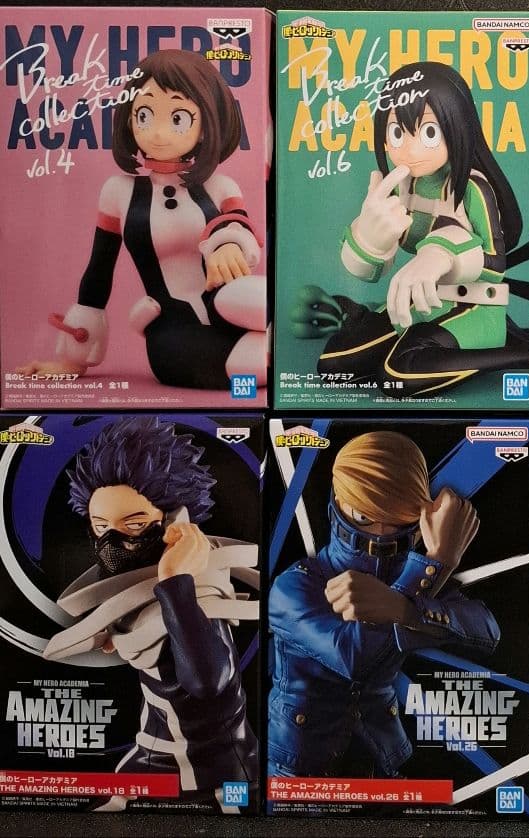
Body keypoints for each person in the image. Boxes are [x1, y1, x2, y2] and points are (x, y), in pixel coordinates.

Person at [43, 416, 259, 811]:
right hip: (151, 753)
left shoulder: (198, 593)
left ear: (175, 521)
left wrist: (176, 580)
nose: (113, 541)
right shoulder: (135, 593)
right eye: (100, 526)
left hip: (214, 771)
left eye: (135, 524)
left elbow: (209, 681)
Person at [18, 49, 267, 390]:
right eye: (145, 115)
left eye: (178, 118)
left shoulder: (220, 186)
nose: (158, 134)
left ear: (207, 124)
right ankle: (268, 356)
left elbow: (238, 224)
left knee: (250, 299)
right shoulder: (119, 192)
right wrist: (72, 360)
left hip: (233, 310)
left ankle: (274, 344)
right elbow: (98, 270)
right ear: (129, 117)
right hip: (174, 333)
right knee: (238, 365)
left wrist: (229, 242)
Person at [289, 62, 529, 398]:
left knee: (400, 372)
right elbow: (370, 271)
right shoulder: (400, 186)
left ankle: (520, 352)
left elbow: (494, 265)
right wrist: (369, 243)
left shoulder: (471, 187)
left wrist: (442, 253)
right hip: (419, 303)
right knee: (336, 364)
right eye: (397, 132)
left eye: (429, 132)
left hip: (476, 306)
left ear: (457, 126)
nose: (410, 149)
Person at [266, 431, 499, 778]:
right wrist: (432, 568)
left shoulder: (415, 578)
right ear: (337, 504)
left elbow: (488, 631)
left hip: (381, 761)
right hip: (298, 768)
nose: (379, 532)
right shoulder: (295, 585)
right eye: (364, 517)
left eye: (396, 519)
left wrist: (407, 604)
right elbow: (354, 659)